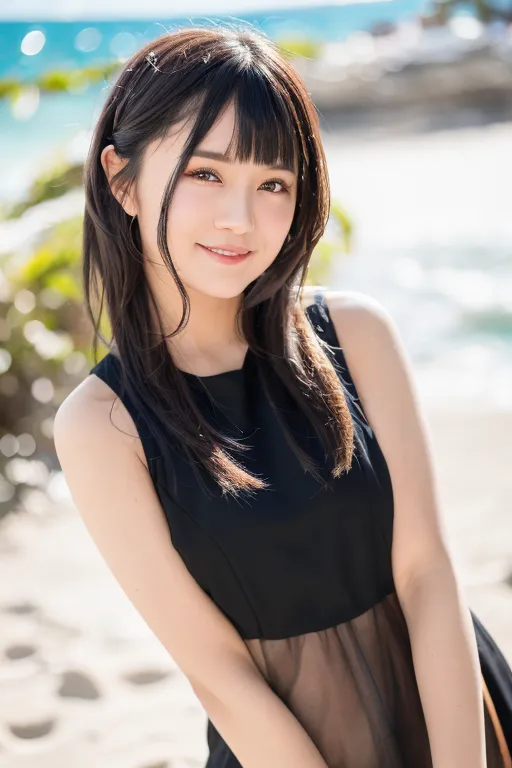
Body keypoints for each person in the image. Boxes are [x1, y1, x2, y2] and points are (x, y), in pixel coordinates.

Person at [54, 25, 512, 768]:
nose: (241, 217)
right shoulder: (103, 425)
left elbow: (427, 569)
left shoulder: (356, 335)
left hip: (452, 713)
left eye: (273, 184)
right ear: (123, 179)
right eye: (206, 174)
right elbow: (218, 671)